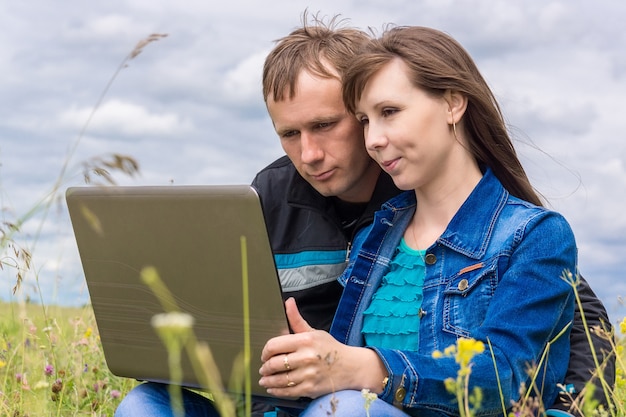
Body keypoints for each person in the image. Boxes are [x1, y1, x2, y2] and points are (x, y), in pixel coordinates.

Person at [114, 16, 614, 417]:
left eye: (329, 125)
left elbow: (570, 328)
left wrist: (577, 407)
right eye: (289, 134)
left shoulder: (520, 232)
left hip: (360, 403)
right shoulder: (376, 225)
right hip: (309, 402)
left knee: (348, 407)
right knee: (144, 404)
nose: (309, 154)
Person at [255, 26, 592, 416]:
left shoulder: (532, 235)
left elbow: (512, 376)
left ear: (452, 104)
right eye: (366, 120)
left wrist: (371, 370)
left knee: (346, 408)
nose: (374, 140)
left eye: (390, 112)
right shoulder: (375, 234)